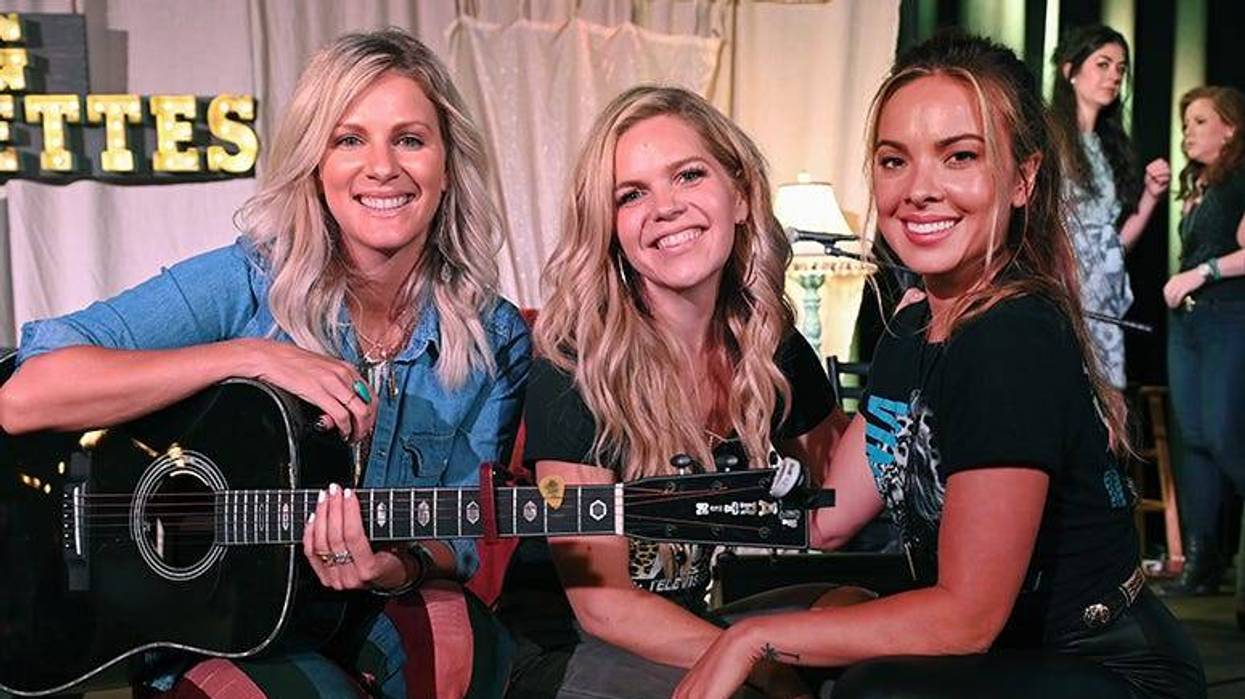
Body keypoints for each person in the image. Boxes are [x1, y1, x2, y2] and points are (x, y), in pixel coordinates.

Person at [0, 29, 530, 698]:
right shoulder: (246, 281)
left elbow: (461, 533)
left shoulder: (493, 333)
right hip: (217, 614)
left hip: (369, 599)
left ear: (447, 161)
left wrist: (392, 566)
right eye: (348, 139)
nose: (382, 167)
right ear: (314, 162)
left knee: (462, 646)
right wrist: (251, 354)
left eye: (409, 139)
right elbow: (23, 395)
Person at [674, 33, 1205, 699]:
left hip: (1109, 666)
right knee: (751, 622)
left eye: (958, 156)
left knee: (856, 680)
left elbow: (964, 617)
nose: (919, 189)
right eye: (894, 160)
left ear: (1022, 179)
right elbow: (829, 515)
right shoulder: (914, 321)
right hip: (1010, 653)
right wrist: (643, 505)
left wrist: (750, 640)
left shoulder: (1008, 338)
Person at [501, 85, 848, 698]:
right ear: (610, 229)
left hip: (701, 621)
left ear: (739, 194)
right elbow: (603, 608)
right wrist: (760, 661)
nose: (664, 207)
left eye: (688, 175)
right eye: (631, 195)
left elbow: (838, 506)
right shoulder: (573, 364)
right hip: (578, 645)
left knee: (855, 612)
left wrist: (915, 351)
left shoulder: (771, 342)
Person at [1160, 86, 1245, 605]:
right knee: (1192, 440)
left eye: (1200, 121)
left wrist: (1201, 272)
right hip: (1189, 324)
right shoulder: (1202, 184)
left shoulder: (1238, 180)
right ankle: (1201, 561)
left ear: (1230, 128)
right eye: (1186, 122)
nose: (1188, 132)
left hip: (1227, 316)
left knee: (1221, 433)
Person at [1050, 24, 1170, 390]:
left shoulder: (1108, 145)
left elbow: (1114, 243)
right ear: (1070, 70)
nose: (1114, 75)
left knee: (1105, 404)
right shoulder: (1047, 135)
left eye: (1120, 68)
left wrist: (1150, 196)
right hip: (1060, 289)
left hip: (1104, 295)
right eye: (1103, 64)